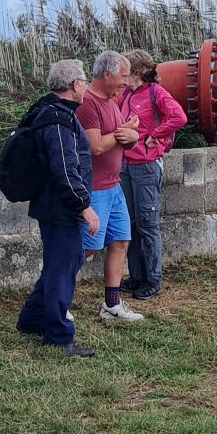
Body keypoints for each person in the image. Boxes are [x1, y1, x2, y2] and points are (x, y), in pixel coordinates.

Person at [16, 59, 101, 357]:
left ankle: (32, 318)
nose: (87, 87)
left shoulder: (48, 111)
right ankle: (58, 335)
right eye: (85, 82)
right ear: (76, 86)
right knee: (62, 269)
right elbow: (65, 169)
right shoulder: (58, 119)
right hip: (60, 208)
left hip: (52, 205)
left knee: (65, 262)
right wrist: (84, 206)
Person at [76, 50, 145, 321]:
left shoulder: (112, 100)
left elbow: (120, 138)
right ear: (107, 74)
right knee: (87, 248)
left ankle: (111, 304)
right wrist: (121, 135)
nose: (126, 83)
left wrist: (132, 135)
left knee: (120, 241)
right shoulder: (88, 104)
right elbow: (95, 146)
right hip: (95, 189)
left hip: (113, 186)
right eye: (123, 76)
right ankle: (56, 297)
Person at [118, 50, 187, 300]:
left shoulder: (155, 92)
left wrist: (155, 135)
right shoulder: (125, 94)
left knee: (148, 225)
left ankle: (153, 279)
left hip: (146, 165)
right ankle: (137, 276)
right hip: (126, 166)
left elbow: (179, 117)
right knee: (132, 224)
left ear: (136, 72)